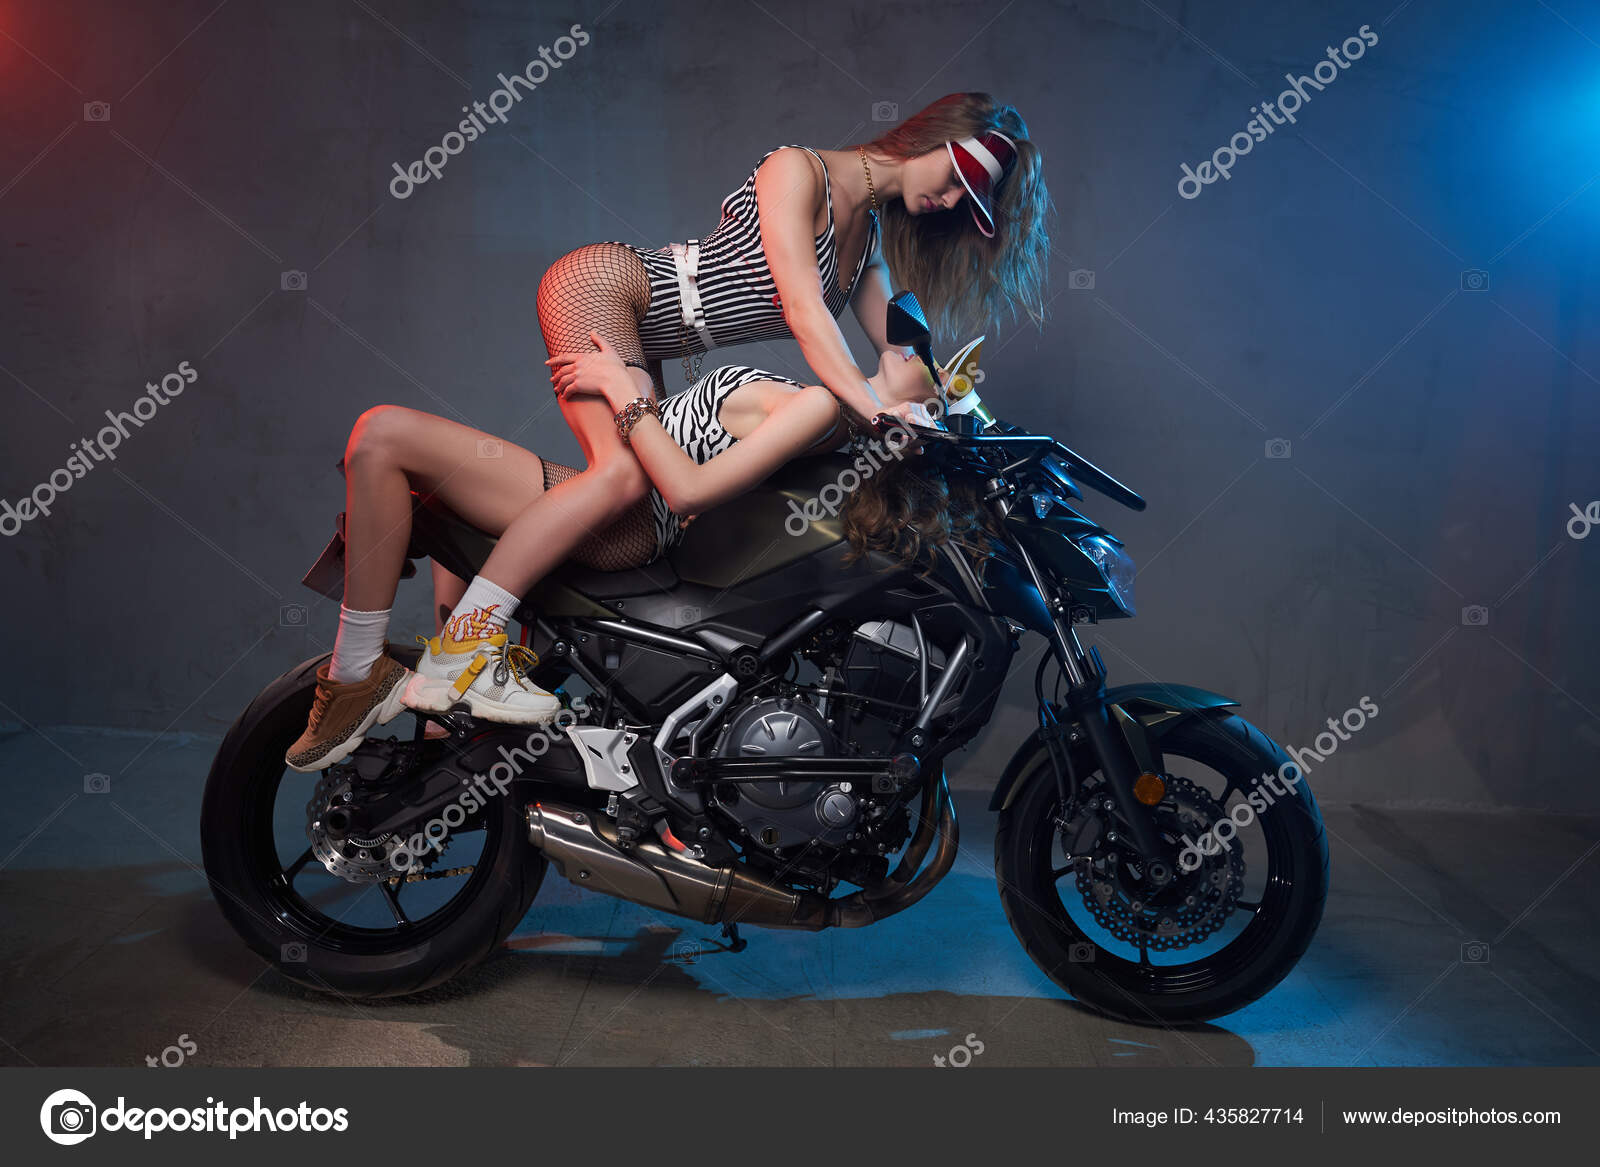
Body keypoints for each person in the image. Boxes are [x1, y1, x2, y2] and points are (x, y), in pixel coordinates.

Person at [301, 92, 1052, 758]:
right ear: (928, 138)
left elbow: (901, 347)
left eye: (970, 199)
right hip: (613, 286)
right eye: (954, 177)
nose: (953, 201)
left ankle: (424, 704)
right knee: (624, 475)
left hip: (651, 346)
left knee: (627, 515)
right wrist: (875, 404)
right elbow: (801, 310)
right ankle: (462, 654)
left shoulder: (869, 251)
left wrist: (949, 409)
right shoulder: (800, 171)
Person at [285, 335, 966, 771]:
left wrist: (625, 391)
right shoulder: (825, 398)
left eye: (938, 366)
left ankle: (356, 676)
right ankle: (450, 709)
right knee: (425, 485)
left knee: (380, 435)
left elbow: (685, 485)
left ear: (918, 414)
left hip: (624, 517)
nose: (917, 345)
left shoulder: (821, 408)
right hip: (603, 496)